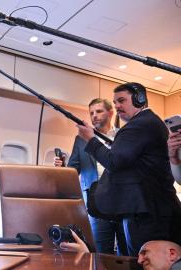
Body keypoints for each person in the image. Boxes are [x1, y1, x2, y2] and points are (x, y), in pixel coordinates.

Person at [76, 82, 181, 256]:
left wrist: (90, 139)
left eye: (122, 100)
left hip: (147, 213)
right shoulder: (148, 123)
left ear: (140, 100)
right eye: (115, 102)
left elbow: (114, 161)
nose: (117, 106)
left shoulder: (140, 125)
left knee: (143, 261)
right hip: (151, 209)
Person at [54, 98, 127, 255]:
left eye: (99, 111)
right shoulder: (81, 139)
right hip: (96, 202)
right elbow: (74, 170)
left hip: (123, 200)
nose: (94, 116)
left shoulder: (123, 135)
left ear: (111, 112)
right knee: (100, 253)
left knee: (127, 252)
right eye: (91, 113)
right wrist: (62, 168)